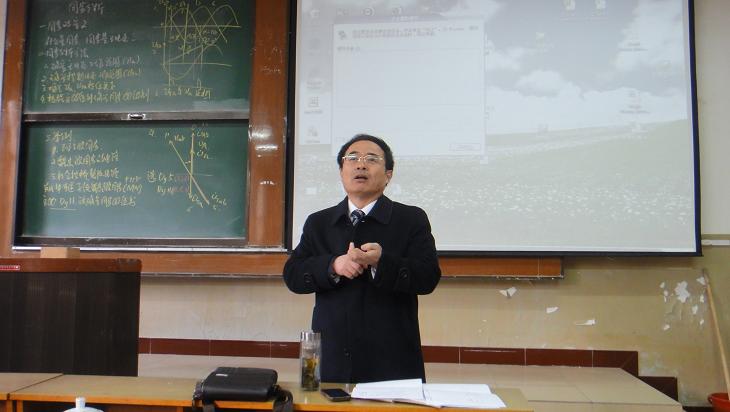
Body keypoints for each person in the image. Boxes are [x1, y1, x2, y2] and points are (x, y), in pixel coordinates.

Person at [283, 134, 441, 383]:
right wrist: (333, 265)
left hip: (392, 357)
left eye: (371, 159)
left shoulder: (411, 219)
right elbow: (293, 275)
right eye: (352, 158)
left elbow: (428, 277)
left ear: (388, 175)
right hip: (333, 355)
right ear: (341, 172)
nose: (361, 165)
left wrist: (381, 263)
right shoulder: (319, 222)